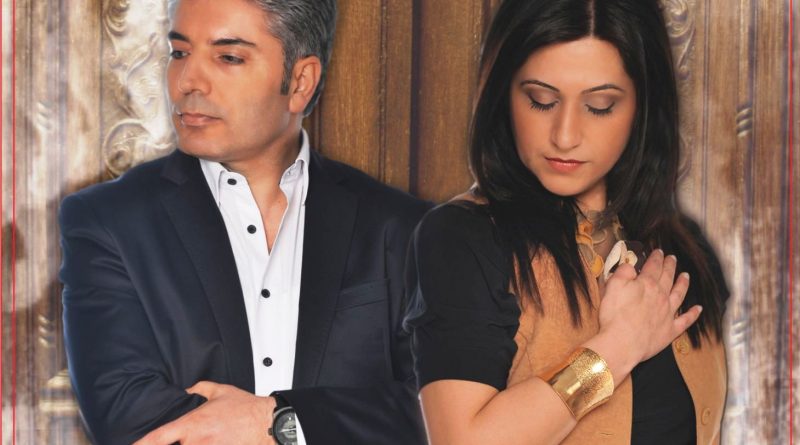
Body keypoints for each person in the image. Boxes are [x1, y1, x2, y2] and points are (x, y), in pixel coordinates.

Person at [59, 0, 428, 444]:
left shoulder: (404, 227)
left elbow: (438, 411)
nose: (188, 81)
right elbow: (126, 415)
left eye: (228, 57)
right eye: (180, 52)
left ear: (300, 81)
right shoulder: (108, 222)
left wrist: (277, 421)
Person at [403, 0, 729, 444]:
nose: (565, 135)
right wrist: (615, 349)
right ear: (504, 94)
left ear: (643, 106)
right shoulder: (463, 240)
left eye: (599, 106)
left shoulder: (683, 244)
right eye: (541, 101)